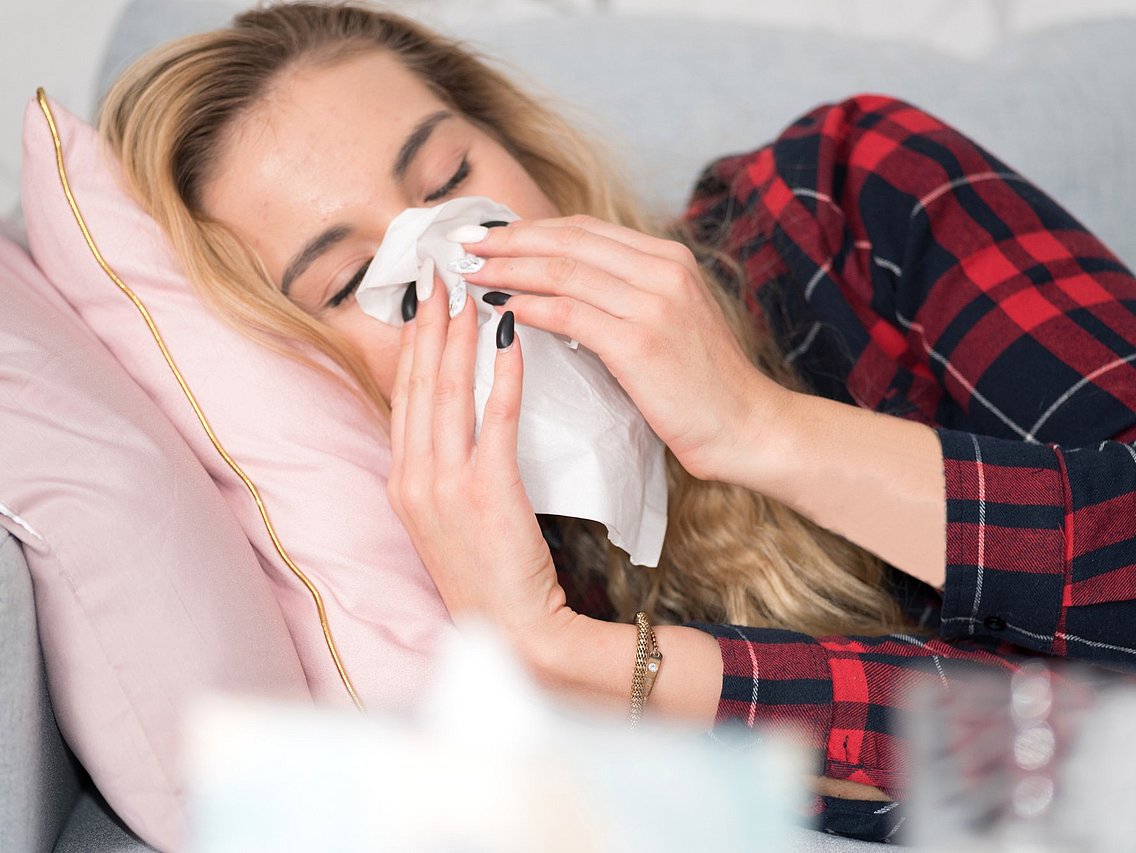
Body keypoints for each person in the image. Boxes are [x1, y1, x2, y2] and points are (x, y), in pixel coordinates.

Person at [99, 1, 1136, 841]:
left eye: (450, 179)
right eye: (359, 278)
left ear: (525, 154)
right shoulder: (465, 596)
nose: (457, 255)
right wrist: (568, 660)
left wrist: (757, 426)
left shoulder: (842, 205)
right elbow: (1062, 771)